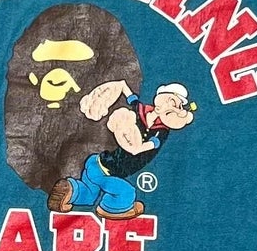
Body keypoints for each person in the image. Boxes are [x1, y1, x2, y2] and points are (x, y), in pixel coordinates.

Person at [49, 80, 196, 218]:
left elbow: (147, 145)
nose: (172, 107)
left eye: (176, 106)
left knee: (88, 195)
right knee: (126, 192)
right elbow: (127, 92)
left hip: (96, 163)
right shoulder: (141, 112)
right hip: (108, 171)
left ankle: (68, 191)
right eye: (171, 101)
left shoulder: (160, 129)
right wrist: (118, 86)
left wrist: (134, 144)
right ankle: (110, 208)